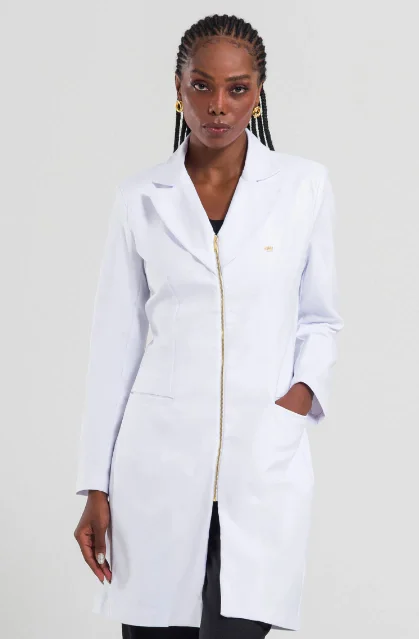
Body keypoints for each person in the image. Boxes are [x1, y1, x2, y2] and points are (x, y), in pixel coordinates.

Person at [74, 13, 344, 638]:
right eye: (202, 85)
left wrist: (298, 396)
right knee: (154, 627)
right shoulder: (141, 198)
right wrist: (95, 485)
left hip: (261, 461)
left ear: (258, 93)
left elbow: (321, 317)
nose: (218, 105)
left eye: (237, 88)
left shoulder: (302, 188)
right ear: (179, 87)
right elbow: (114, 344)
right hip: (156, 467)